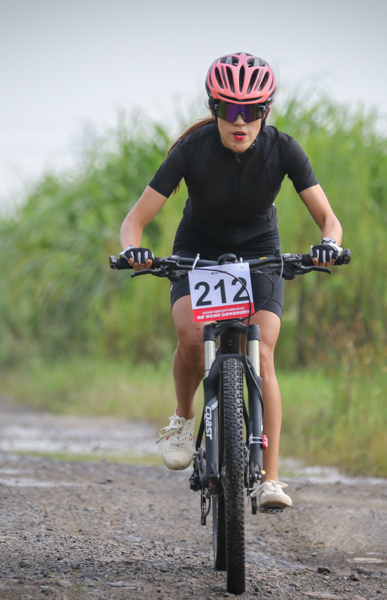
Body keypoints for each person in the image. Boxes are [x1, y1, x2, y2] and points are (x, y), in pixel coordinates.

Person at [119, 52, 343, 511]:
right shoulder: (193, 148)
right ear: (213, 108)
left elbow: (329, 220)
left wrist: (328, 244)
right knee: (188, 335)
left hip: (261, 253)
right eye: (228, 110)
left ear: (266, 112)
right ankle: (183, 418)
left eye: (252, 111)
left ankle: (270, 478)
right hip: (197, 250)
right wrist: (133, 250)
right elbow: (134, 222)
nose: (239, 122)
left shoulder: (283, 149)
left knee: (260, 352)